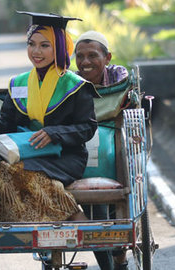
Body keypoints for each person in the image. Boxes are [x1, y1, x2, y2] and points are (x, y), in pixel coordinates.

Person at [0, 11, 98, 223]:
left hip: (65, 156)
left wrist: (54, 133)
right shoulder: (18, 84)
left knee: (17, 171)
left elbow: (87, 128)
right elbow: (7, 124)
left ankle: (74, 215)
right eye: (31, 43)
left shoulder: (76, 86)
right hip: (26, 150)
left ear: (60, 48)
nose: (36, 51)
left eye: (45, 45)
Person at [75, 30, 133, 270]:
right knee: (96, 208)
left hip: (114, 147)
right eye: (80, 56)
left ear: (107, 57)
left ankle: (118, 259)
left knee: (114, 209)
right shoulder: (72, 82)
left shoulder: (118, 76)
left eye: (92, 55)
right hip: (85, 152)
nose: (86, 62)